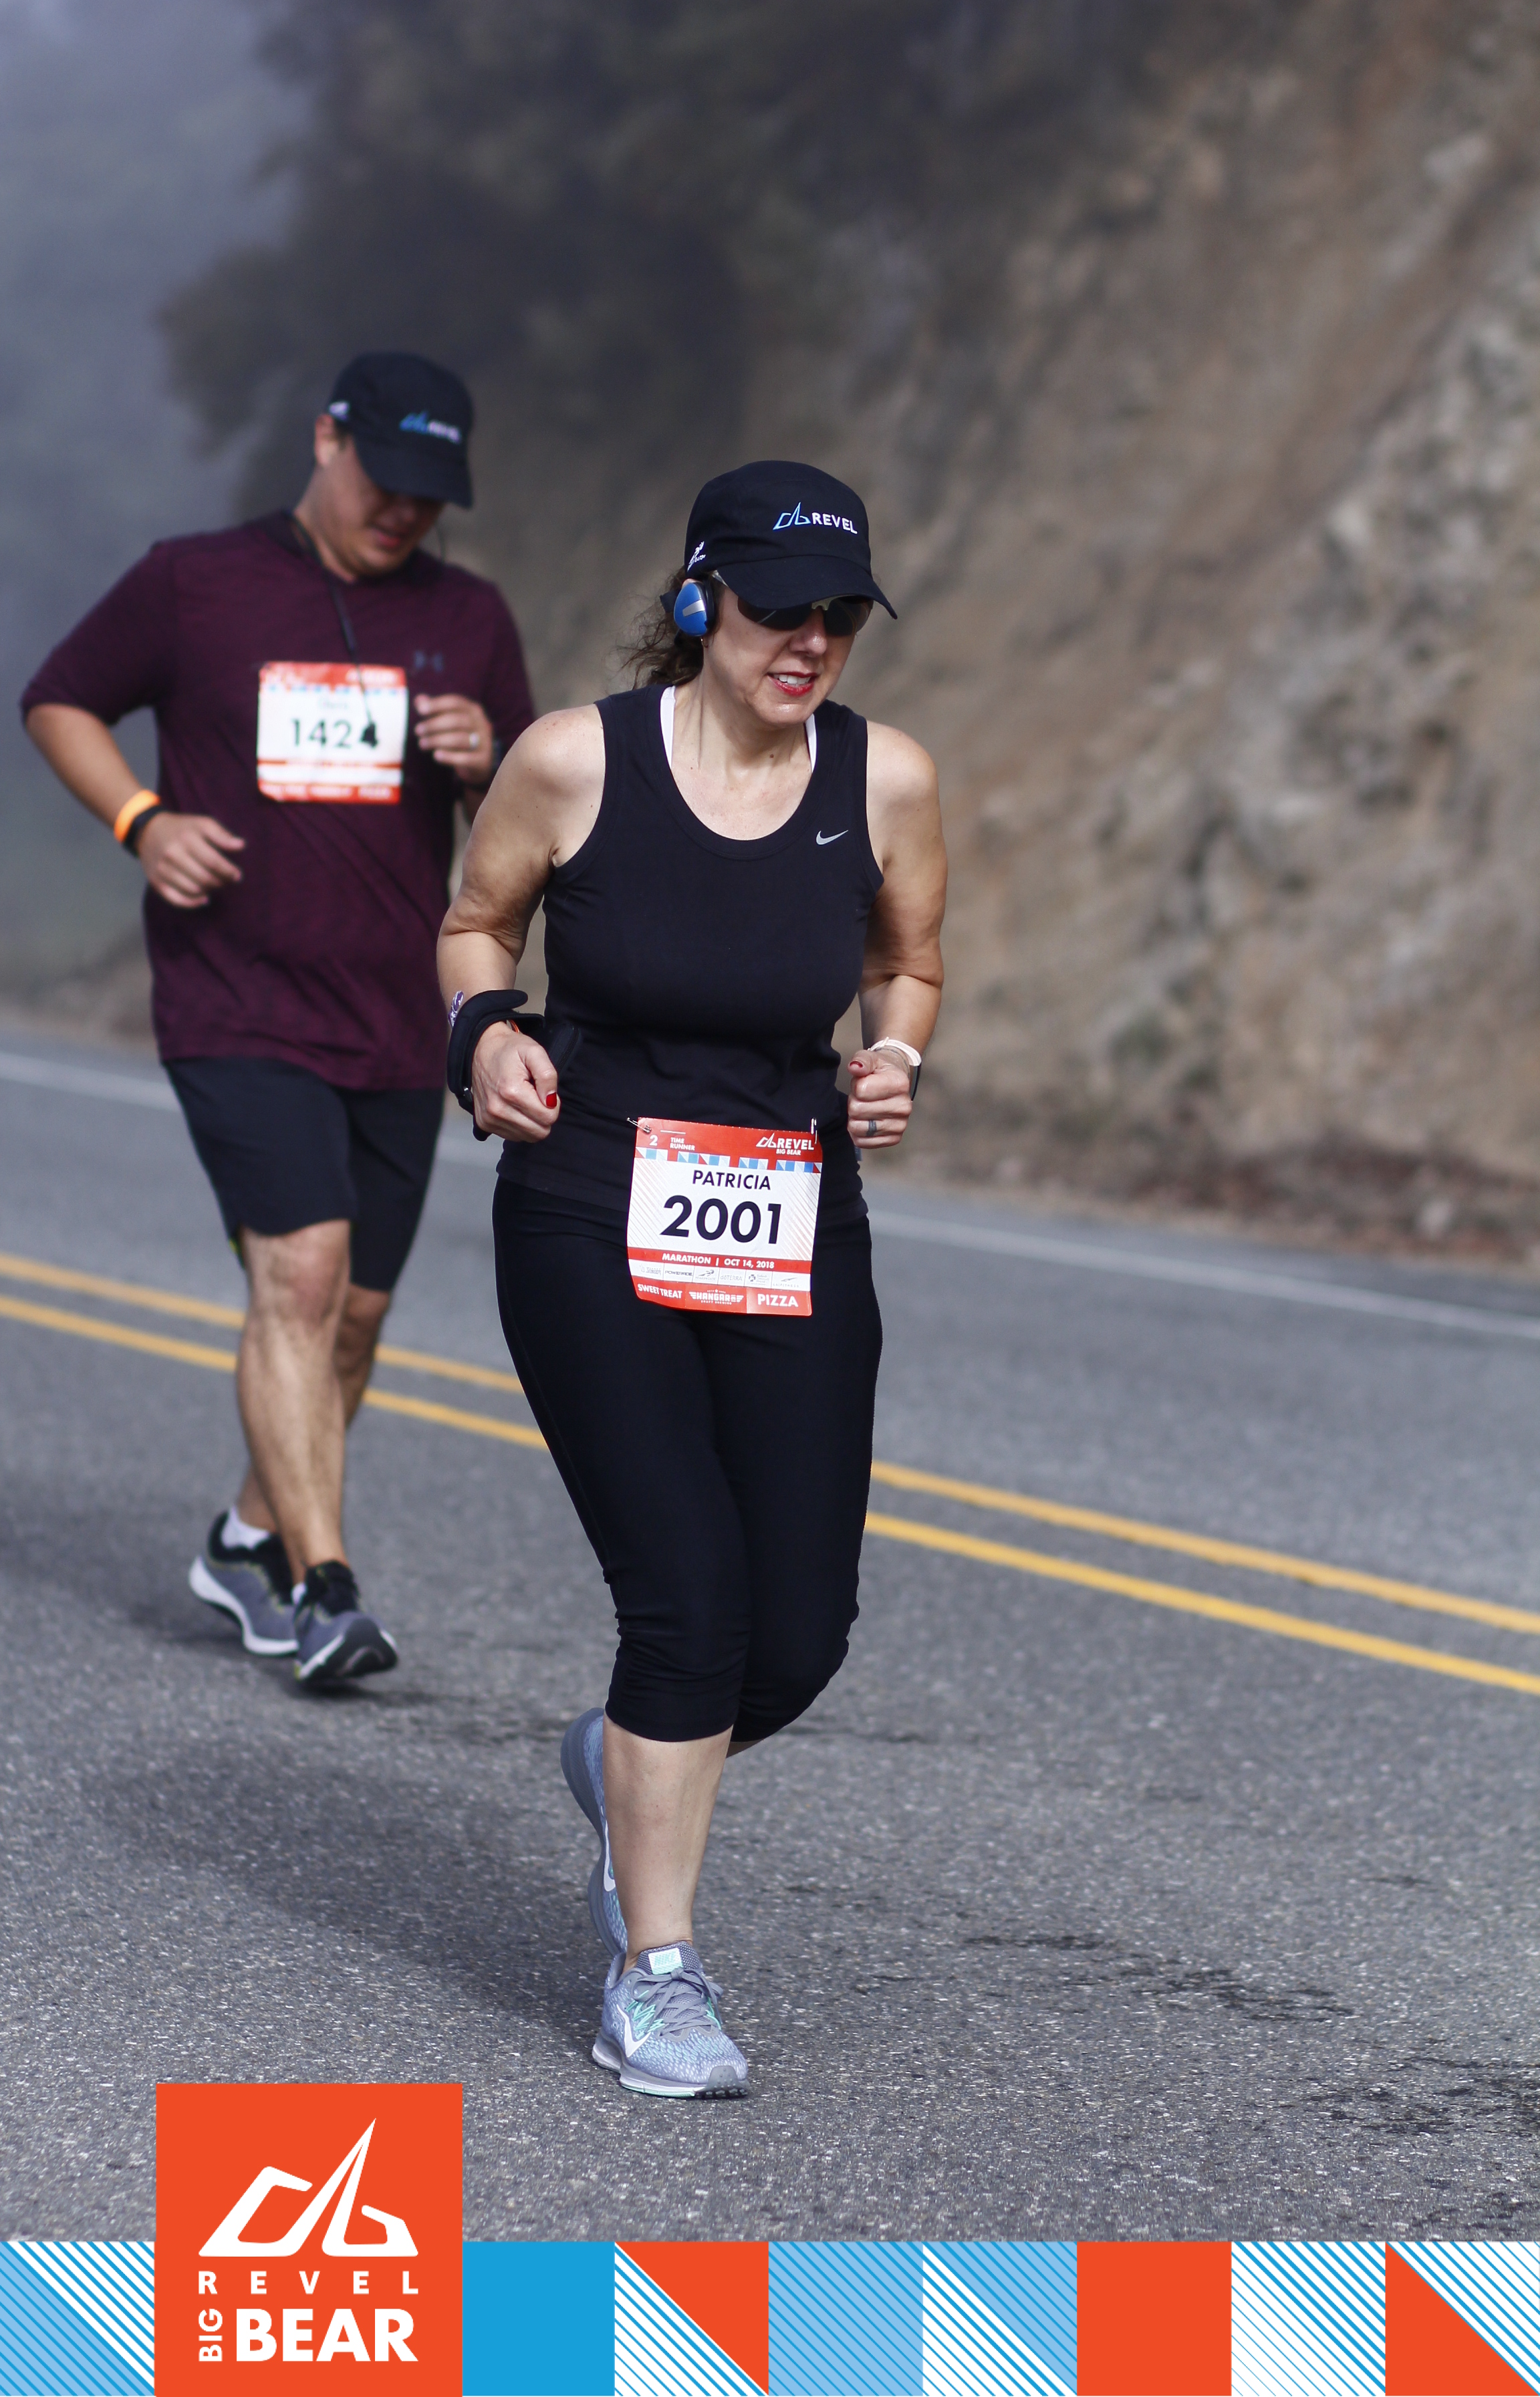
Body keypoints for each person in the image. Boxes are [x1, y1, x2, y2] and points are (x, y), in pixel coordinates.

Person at [438, 459, 945, 2095]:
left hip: (789, 1208)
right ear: (698, 597)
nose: (811, 642)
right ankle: (654, 1973)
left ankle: (620, 1757)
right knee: (689, 1596)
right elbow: (475, 924)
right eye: (780, 608)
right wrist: (484, 1036)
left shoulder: (885, 777)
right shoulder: (574, 759)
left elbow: (906, 961)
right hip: (590, 1201)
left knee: (794, 1634)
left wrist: (896, 1054)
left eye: (841, 615)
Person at [22, 352, 535, 1687]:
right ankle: (325, 1589)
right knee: (300, 1275)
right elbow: (59, 697)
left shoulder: (469, 617)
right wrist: (142, 820)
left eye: (431, 494)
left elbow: (533, 825)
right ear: (325, 441)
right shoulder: (193, 582)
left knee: (353, 1315)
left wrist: (487, 762)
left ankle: (248, 1538)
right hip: (235, 998)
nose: (405, 511)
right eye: (386, 479)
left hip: (398, 1016)